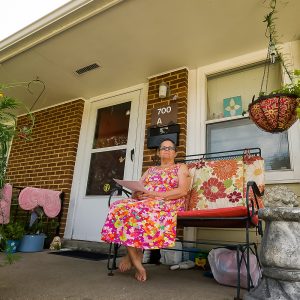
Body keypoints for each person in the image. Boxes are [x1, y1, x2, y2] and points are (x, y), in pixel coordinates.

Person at [101, 138, 191, 282]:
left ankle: (134, 259)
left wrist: (155, 195)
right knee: (119, 206)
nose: (166, 150)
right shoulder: (150, 170)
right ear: (159, 152)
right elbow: (137, 190)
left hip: (168, 201)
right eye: (163, 148)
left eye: (169, 148)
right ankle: (133, 254)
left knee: (137, 210)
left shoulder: (181, 167)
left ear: (175, 153)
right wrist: (137, 193)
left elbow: (182, 191)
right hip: (145, 201)